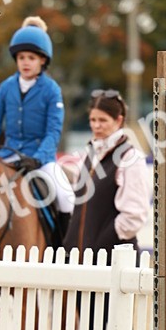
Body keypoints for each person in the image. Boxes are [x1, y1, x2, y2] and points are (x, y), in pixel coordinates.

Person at [0, 15, 74, 241]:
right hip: (7, 157)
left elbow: (53, 132)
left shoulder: (52, 90)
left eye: (31, 57)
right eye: (21, 57)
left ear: (43, 60)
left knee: (66, 197)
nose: (25, 62)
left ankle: (64, 248)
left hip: (41, 161)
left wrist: (38, 158)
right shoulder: (6, 87)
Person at [62, 90, 150, 257]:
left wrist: (103, 244)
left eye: (102, 120)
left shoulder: (131, 158)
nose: (96, 125)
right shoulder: (89, 154)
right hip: (81, 259)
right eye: (93, 120)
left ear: (119, 120)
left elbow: (134, 216)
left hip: (113, 259)